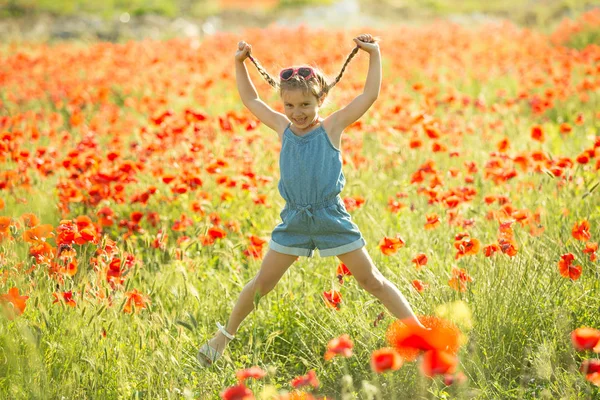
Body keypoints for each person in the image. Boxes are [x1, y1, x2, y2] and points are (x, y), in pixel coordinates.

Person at [198, 34, 427, 367]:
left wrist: (374, 54)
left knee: (371, 280)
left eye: (305, 105)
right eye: (289, 105)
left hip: (330, 219)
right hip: (294, 221)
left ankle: (419, 335)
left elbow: (369, 94)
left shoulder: (332, 127)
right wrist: (239, 63)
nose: (297, 112)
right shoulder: (282, 127)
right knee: (262, 283)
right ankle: (222, 338)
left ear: (321, 99)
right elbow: (251, 100)